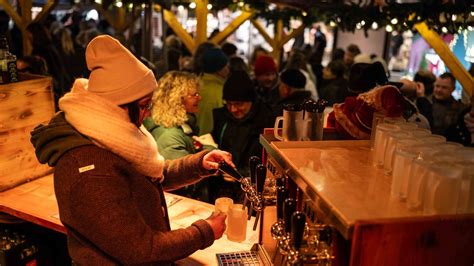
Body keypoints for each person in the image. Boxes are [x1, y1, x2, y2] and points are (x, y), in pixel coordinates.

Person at [30, 35, 231, 264]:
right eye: (144, 105)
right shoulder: (90, 169)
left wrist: (199, 163)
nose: (148, 113)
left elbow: (147, 177)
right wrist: (204, 231)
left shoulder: (113, 134)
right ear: (116, 107)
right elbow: (141, 250)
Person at [144, 71, 216, 202]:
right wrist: (210, 148)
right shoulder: (169, 134)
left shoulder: (183, 125)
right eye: (194, 95)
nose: (199, 98)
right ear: (178, 99)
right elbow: (184, 183)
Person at [211, 71, 275, 201]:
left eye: (238, 104)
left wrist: (240, 175)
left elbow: (267, 163)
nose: (233, 109)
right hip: (222, 189)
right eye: (229, 103)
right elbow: (216, 142)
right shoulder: (222, 118)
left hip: (250, 192)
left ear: (250, 101)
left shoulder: (265, 122)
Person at [196, 47, 229, 135]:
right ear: (219, 69)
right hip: (210, 140)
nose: (228, 69)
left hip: (194, 137)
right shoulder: (220, 92)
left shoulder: (196, 85)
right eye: (226, 66)